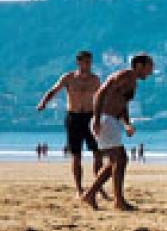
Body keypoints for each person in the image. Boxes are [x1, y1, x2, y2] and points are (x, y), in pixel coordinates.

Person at [81, 54, 153, 211]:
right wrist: (98, 119)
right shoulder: (124, 75)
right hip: (105, 119)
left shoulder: (132, 82)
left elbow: (122, 105)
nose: (151, 72)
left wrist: (127, 124)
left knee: (116, 161)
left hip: (111, 120)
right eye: (149, 67)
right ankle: (117, 201)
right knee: (120, 159)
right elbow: (99, 93)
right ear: (139, 65)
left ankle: (90, 194)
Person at [36, 51, 107, 198]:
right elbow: (53, 91)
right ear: (78, 62)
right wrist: (43, 103)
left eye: (90, 62)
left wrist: (102, 117)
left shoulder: (95, 80)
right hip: (73, 117)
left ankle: (97, 187)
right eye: (85, 62)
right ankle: (79, 188)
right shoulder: (68, 78)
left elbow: (101, 99)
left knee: (97, 153)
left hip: (90, 117)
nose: (88, 65)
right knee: (76, 155)